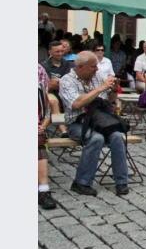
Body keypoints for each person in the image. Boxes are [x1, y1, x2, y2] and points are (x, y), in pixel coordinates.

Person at [59, 51, 129, 196]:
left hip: (100, 120)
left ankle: (121, 182)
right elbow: (76, 104)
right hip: (77, 122)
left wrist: (113, 90)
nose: (97, 69)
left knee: (117, 136)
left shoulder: (97, 76)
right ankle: (81, 183)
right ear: (80, 67)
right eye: (93, 67)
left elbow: (109, 99)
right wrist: (100, 88)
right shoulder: (66, 80)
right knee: (96, 138)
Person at [42, 40, 72, 138]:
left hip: (66, 94)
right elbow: (45, 85)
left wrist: (59, 83)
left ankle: (42, 128)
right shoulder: (44, 66)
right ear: (50, 52)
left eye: (61, 51)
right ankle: (63, 129)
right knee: (53, 102)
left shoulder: (68, 64)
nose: (60, 54)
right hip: (49, 93)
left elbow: (72, 81)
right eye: (57, 52)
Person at [38, 64, 58, 210]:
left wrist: (43, 126)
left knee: (38, 142)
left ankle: (44, 191)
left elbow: (46, 110)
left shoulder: (38, 70)